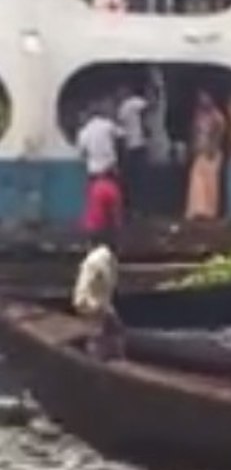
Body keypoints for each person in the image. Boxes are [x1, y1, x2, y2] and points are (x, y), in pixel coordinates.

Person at [72, 228, 123, 360]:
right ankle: (100, 357)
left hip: (85, 299)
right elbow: (109, 280)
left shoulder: (95, 256)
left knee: (100, 327)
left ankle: (100, 354)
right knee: (107, 328)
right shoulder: (104, 257)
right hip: (91, 301)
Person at [185, 90, 227, 220]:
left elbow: (219, 134)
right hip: (199, 151)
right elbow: (194, 133)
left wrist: (212, 148)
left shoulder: (217, 117)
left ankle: (209, 211)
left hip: (211, 153)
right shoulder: (199, 116)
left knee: (210, 182)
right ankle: (197, 210)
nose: (203, 101)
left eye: (205, 98)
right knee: (196, 180)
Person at [115, 85, 149, 216]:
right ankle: (140, 207)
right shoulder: (134, 103)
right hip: (138, 144)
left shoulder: (122, 109)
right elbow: (150, 106)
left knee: (131, 179)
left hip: (129, 146)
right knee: (141, 179)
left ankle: (131, 207)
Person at [76, 99, 124, 180]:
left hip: (94, 172)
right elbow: (122, 135)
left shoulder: (83, 132)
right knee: (115, 190)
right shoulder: (108, 124)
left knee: (94, 191)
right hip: (110, 169)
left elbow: (82, 154)